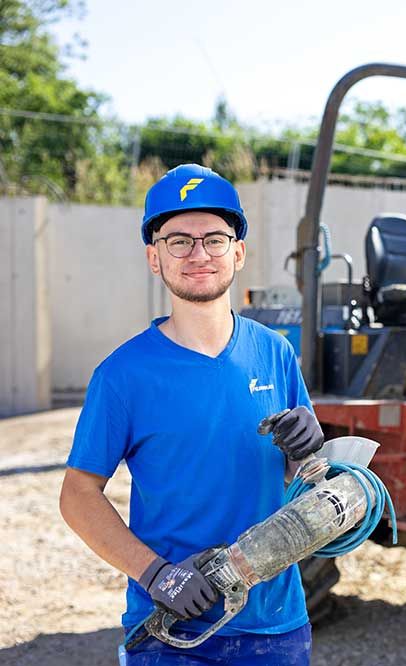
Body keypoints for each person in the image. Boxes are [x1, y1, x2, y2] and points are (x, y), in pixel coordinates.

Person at [59, 164, 325, 665]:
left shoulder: (275, 354)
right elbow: (77, 495)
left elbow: (303, 484)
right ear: (154, 258)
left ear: (238, 252)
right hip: (171, 633)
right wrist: (156, 574)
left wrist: (309, 453)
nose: (199, 253)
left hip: (276, 628)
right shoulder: (122, 375)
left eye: (215, 239)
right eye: (178, 240)